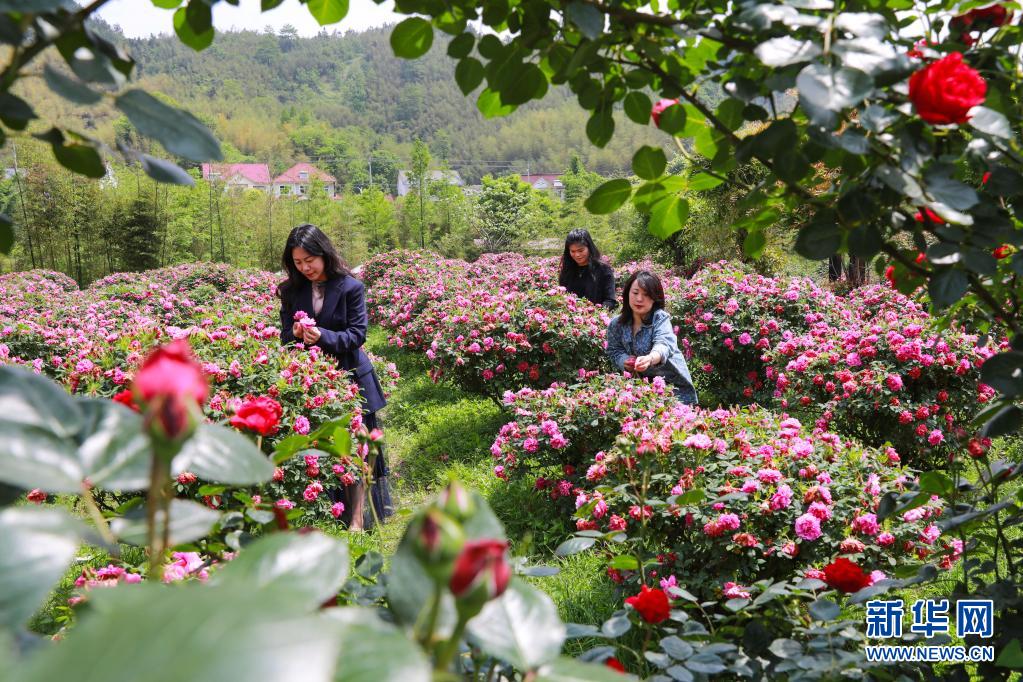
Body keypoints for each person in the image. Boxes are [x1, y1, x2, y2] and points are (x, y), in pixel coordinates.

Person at [278, 223, 393, 530]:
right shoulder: (290, 291)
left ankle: (356, 519)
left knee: (356, 448)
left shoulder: (350, 287)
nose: (305, 268)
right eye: (298, 263)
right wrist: (296, 333)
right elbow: (284, 337)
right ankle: (327, 513)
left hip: (350, 376)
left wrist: (322, 336)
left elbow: (357, 335)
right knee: (324, 449)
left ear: (323, 254)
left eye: (309, 260)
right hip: (313, 380)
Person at [605, 270, 698, 405]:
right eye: (635, 293)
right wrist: (624, 360)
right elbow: (614, 350)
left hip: (673, 387)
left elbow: (664, 344)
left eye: (646, 294)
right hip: (639, 387)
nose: (639, 299)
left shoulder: (660, 318)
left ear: (655, 297)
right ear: (627, 293)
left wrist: (650, 358)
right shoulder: (616, 324)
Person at [558, 229, 616, 308]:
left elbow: (610, 300)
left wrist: (595, 313)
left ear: (589, 248)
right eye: (573, 251)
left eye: (581, 250)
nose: (577, 255)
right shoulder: (567, 270)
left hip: (596, 314)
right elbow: (562, 296)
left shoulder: (603, 270)